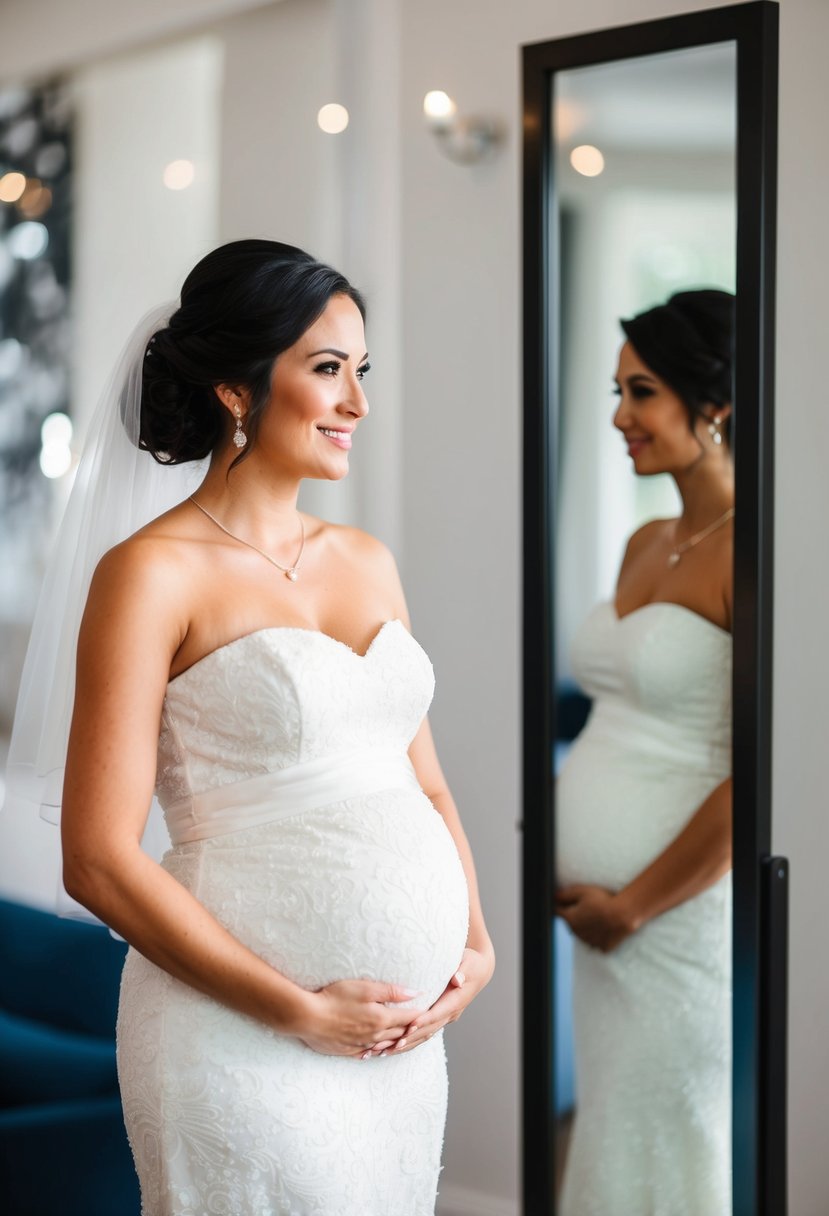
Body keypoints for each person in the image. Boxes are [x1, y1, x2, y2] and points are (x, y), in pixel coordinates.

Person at [11, 240, 495, 1215]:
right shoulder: (150, 574)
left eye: (363, 370)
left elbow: (424, 783)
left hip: (398, 1050)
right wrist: (302, 1011)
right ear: (236, 388)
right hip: (234, 1037)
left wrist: (475, 945)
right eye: (327, 368)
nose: (357, 401)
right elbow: (98, 859)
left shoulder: (365, 558)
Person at [555, 290, 735, 1215]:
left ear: (715, 405)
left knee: (673, 1133)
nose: (620, 416)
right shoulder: (643, 540)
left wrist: (632, 906)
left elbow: (759, 780)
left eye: (643, 392)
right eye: (617, 391)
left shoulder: (757, 549)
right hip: (601, 933)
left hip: (676, 918)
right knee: (613, 1131)